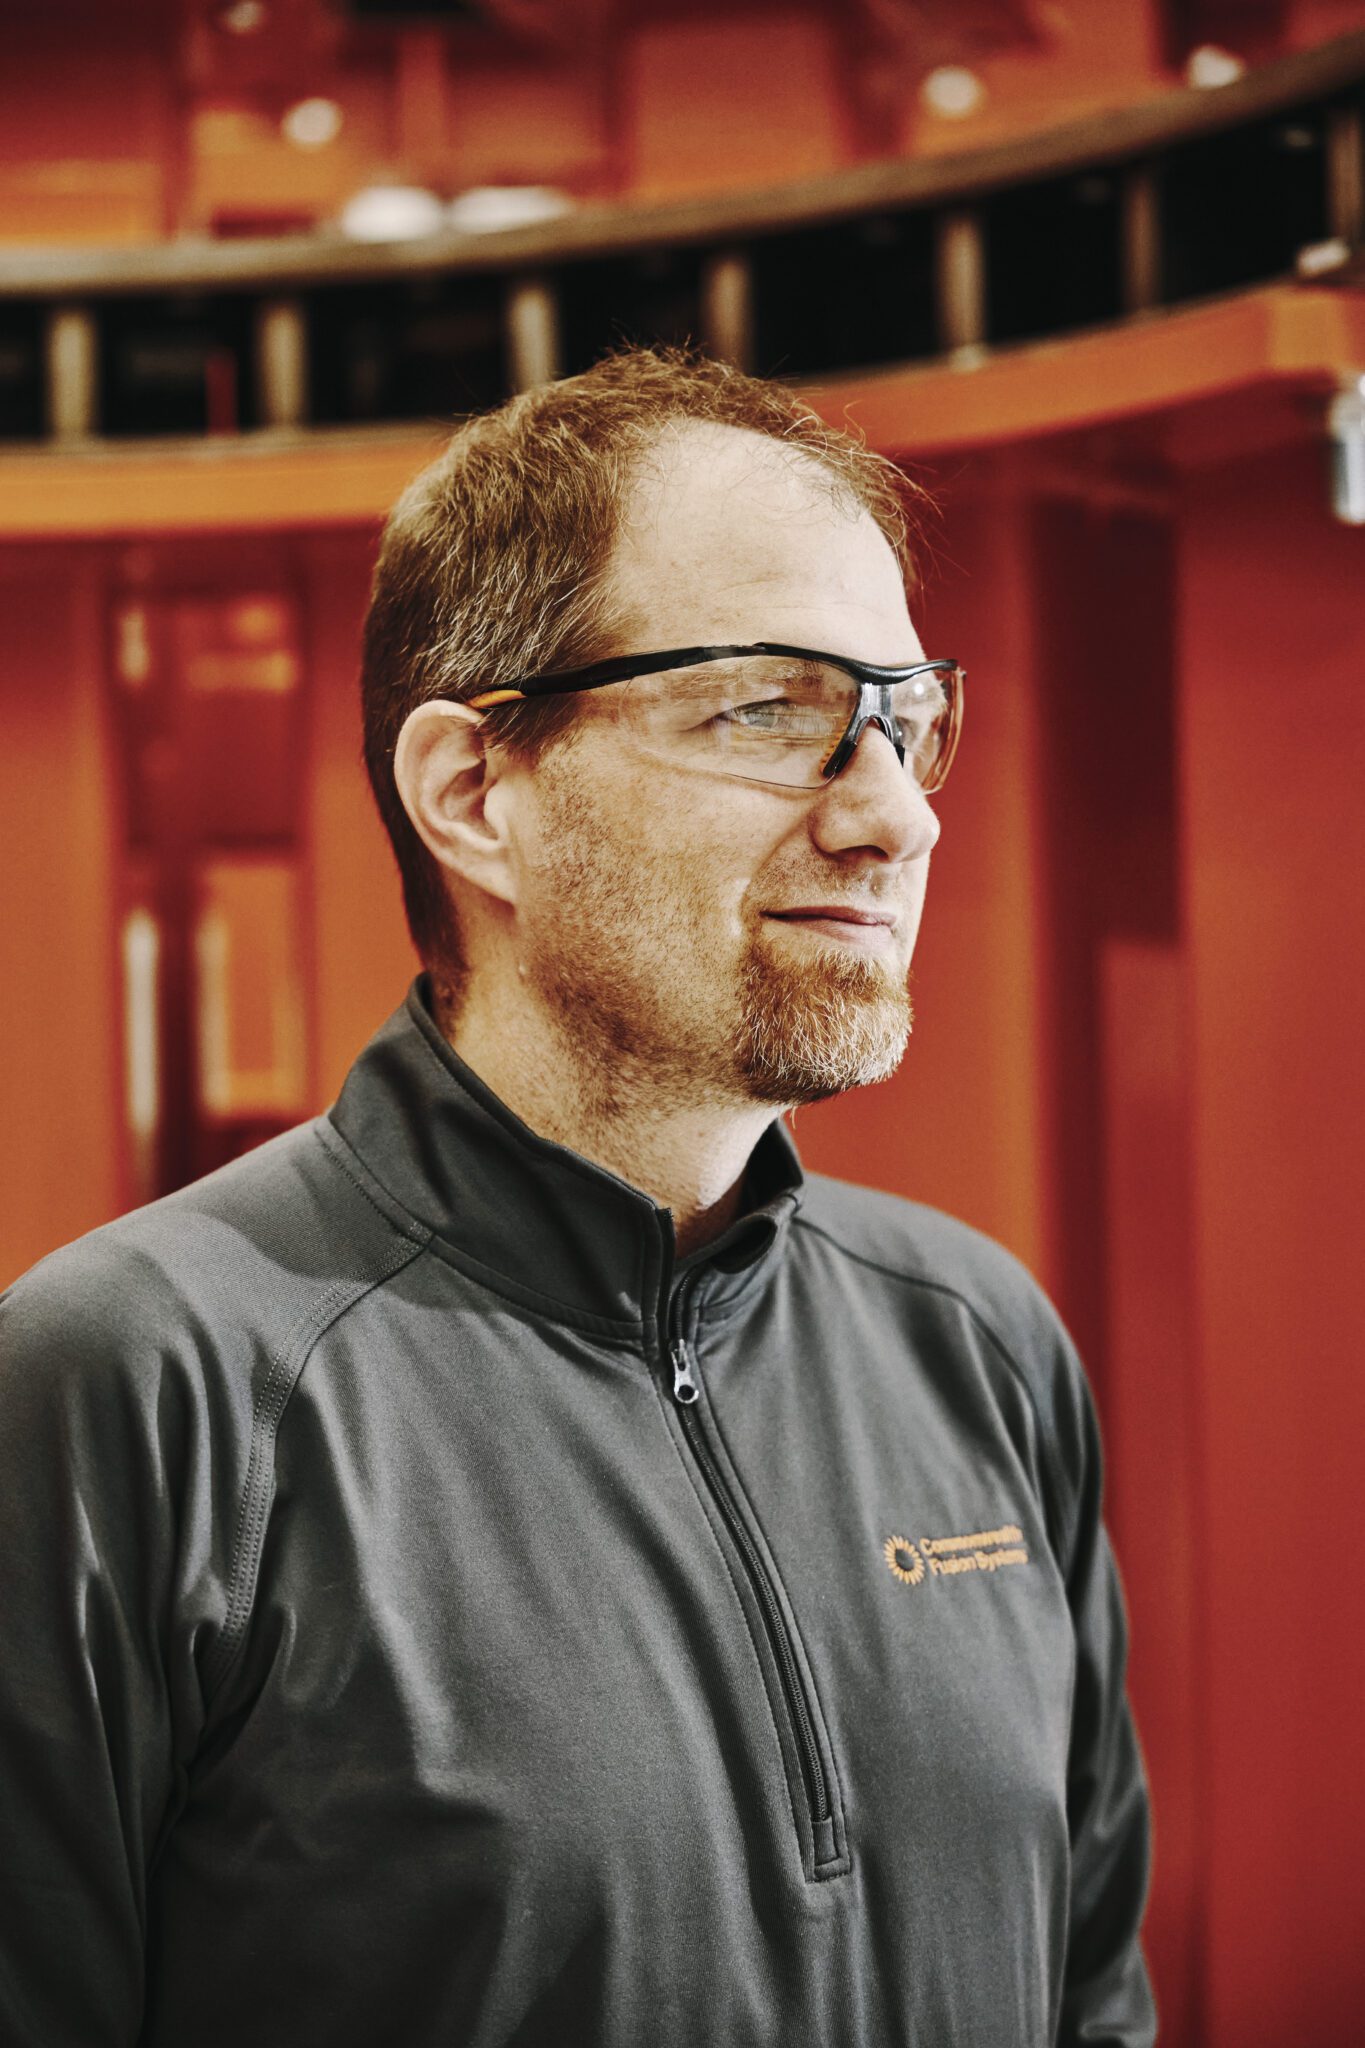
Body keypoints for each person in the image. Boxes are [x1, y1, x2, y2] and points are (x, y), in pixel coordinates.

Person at [0, 348, 1155, 2046]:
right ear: (476, 794)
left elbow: (1090, 1999)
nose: (894, 815)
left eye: (907, 717)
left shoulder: (976, 1339)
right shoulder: (130, 1385)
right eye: (773, 709)